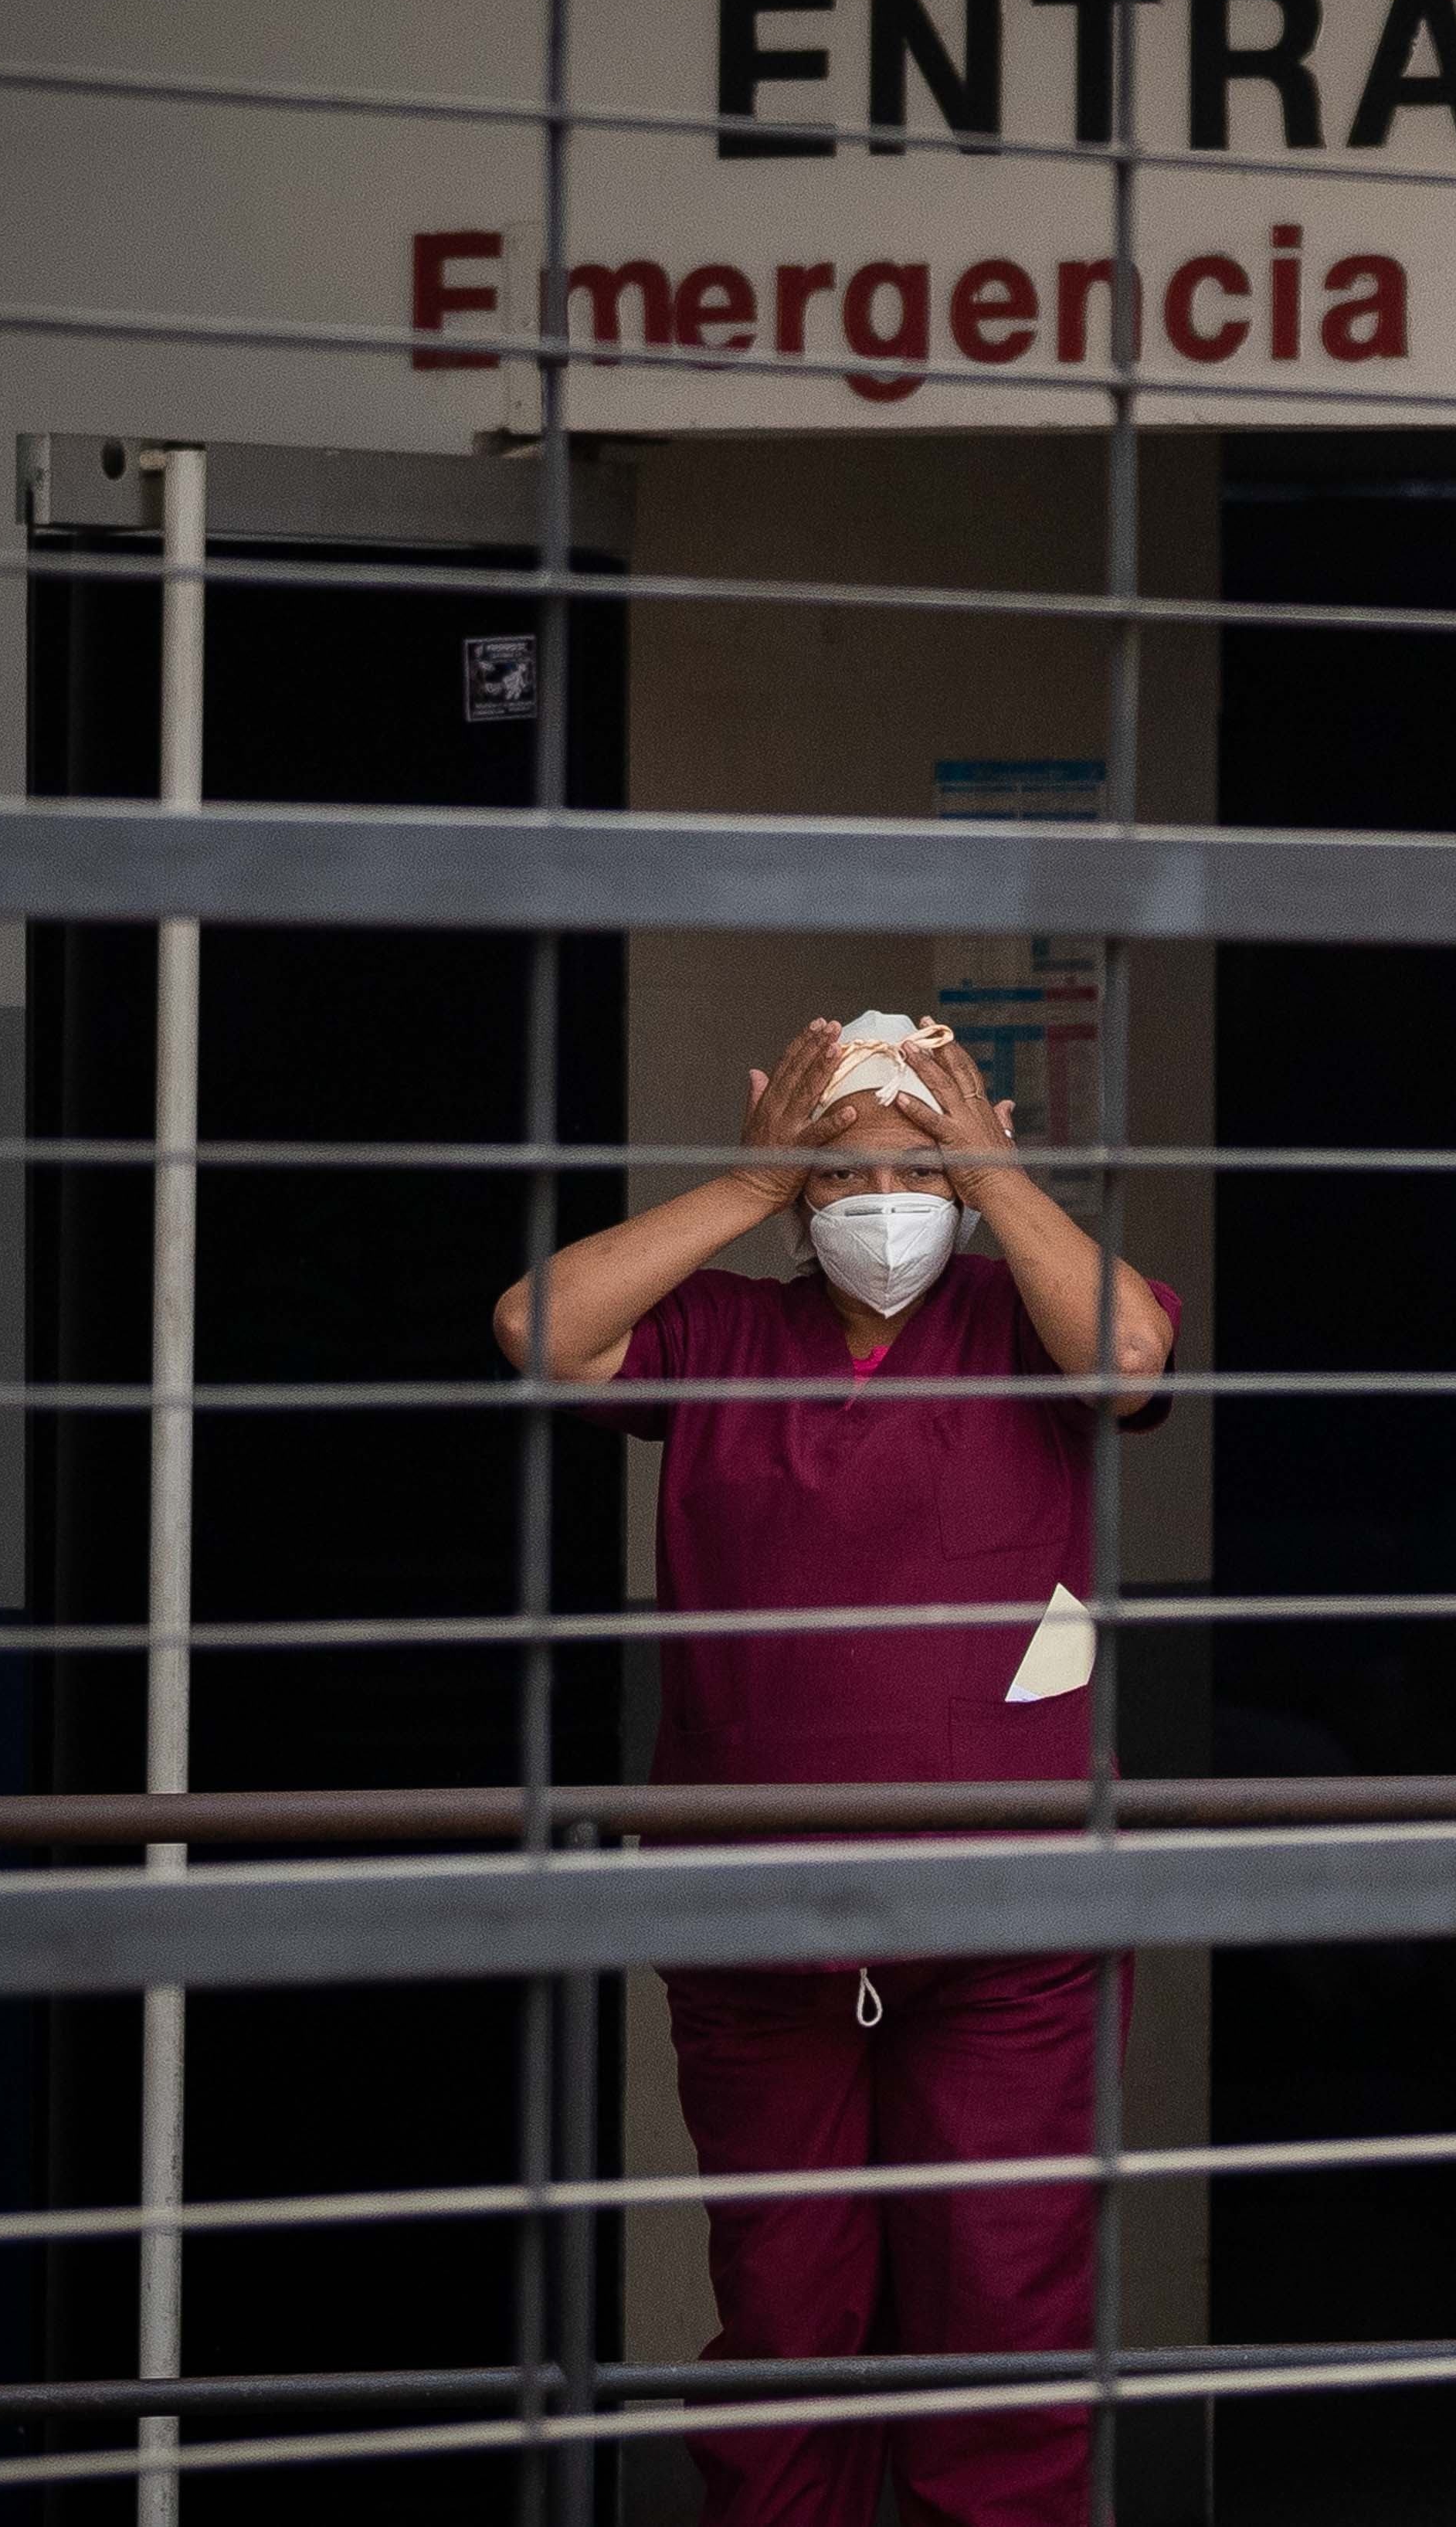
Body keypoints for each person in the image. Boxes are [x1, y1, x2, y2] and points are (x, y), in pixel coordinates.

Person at [495, 1010, 1177, 2527]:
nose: (884, 1202)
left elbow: (1132, 1355)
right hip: (758, 1930)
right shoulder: (723, 1333)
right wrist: (745, 1184)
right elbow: (539, 1330)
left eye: (916, 1166)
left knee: (1002, 2329)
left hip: (1013, 1935)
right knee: (787, 2334)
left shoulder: (1022, 1317)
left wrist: (993, 1172)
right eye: (841, 1172)